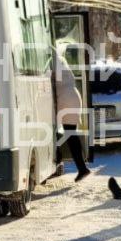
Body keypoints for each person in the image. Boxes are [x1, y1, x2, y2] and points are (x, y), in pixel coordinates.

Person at [52, 50, 91, 182]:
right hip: (72, 96)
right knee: (69, 133)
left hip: (65, 99)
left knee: (65, 132)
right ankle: (79, 167)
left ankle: (63, 160)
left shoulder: (51, 61)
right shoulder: (60, 59)